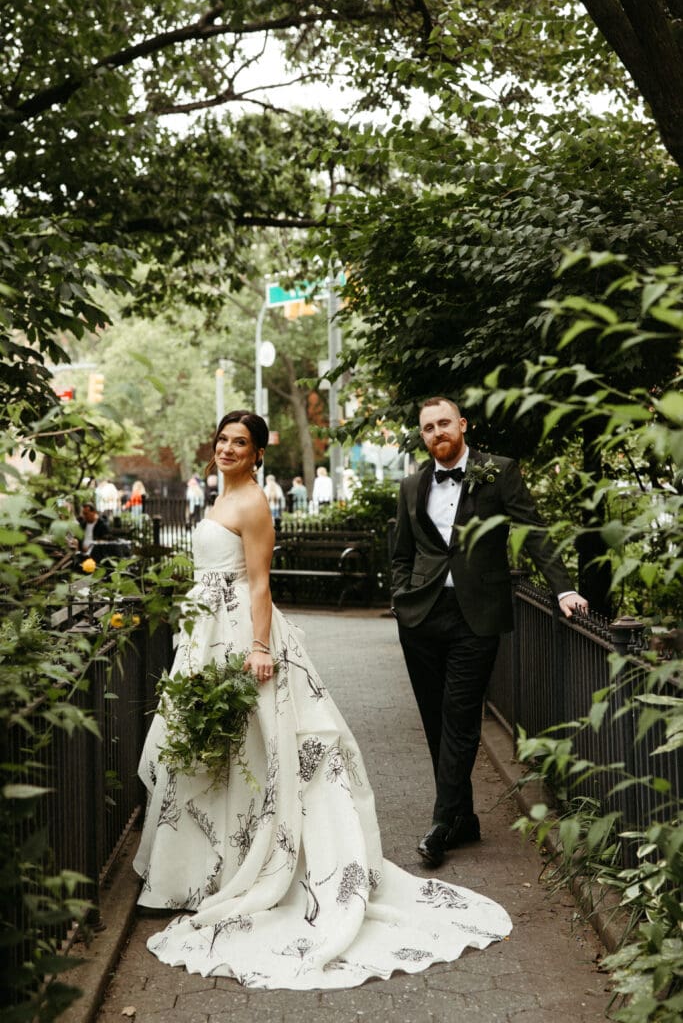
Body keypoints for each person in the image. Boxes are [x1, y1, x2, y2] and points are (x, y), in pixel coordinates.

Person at [133, 410, 511, 991]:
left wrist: (259, 648)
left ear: (259, 454)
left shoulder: (254, 502)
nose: (229, 449)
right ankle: (205, 871)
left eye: (241, 443)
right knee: (218, 753)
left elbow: (259, 582)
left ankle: (254, 866)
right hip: (205, 634)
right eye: (223, 440)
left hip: (242, 636)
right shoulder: (218, 493)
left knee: (259, 753)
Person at [391, 397, 589, 869]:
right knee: (435, 720)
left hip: (476, 616)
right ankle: (464, 819)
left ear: (462, 425)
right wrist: (401, 598)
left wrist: (563, 590)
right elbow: (401, 551)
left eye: (444, 423)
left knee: (460, 716)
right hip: (421, 615)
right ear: (422, 435)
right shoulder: (412, 483)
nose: (437, 432)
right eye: (428, 427)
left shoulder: (498, 471)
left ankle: (441, 824)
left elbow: (534, 532)